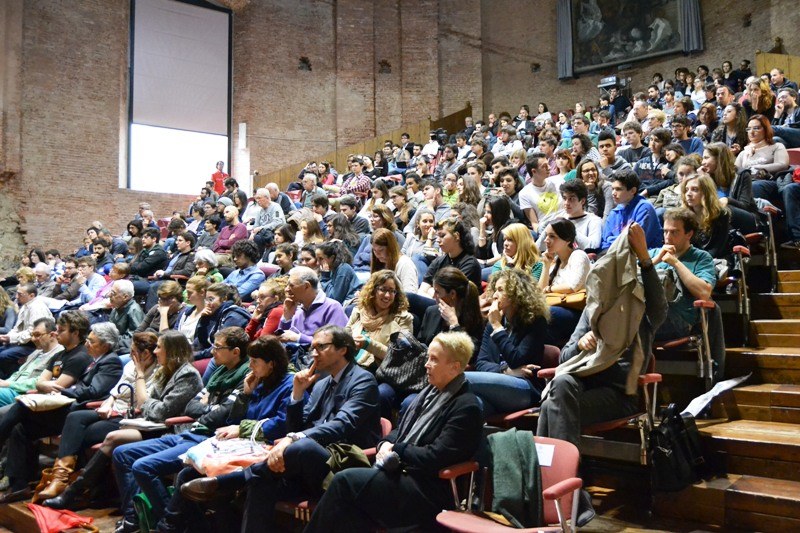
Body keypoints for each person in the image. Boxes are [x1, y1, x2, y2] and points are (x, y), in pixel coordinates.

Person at [178, 326, 381, 533]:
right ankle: (239, 482)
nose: (313, 353)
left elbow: (342, 424)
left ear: (343, 349)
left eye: (321, 347)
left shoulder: (362, 380)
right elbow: (295, 426)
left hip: (342, 464)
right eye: (312, 347)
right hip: (304, 465)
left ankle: (231, 480)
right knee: (261, 484)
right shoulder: (320, 384)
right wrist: (297, 394)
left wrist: (292, 439)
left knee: (303, 446)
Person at [537, 222, 668, 526]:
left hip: (618, 395)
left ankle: (551, 491)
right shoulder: (591, 311)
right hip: (581, 390)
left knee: (552, 403)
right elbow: (566, 357)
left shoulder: (639, 309)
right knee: (561, 385)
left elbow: (660, 311)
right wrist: (580, 345)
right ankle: (568, 493)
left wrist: (646, 260)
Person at [304, 331, 483, 532]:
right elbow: (398, 432)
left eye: (434, 359)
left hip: (427, 488)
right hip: (402, 475)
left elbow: (436, 456)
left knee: (344, 481)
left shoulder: (466, 407)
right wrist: (384, 444)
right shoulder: (428, 394)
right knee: (350, 508)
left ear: (455, 367)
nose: (426, 364)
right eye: (428, 358)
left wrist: (396, 448)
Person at [110, 327, 251, 532]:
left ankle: (170, 524)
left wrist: (206, 408)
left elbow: (222, 414)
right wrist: (209, 408)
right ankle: (136, 517)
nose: (212, 351)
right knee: (122, 453)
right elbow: (191, 407)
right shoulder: (218, 372)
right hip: (187, 432)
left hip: (208, 439)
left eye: (218, 347)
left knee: (143, 467)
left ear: (236, 351)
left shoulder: (241, 376)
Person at [40, 330, 202, 506]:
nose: (155, 352)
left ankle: (76, 493)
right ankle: (79, 492)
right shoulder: (165, 371)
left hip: (169, 429)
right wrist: (149, 404)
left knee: (112, 438)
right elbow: (145, 404)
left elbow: (158, 411)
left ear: (172, 350)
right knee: (86, 426)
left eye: (159, 348)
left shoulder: (188, 375)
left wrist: (140, 375)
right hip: (149, 424)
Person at [0, 320, 122, 503]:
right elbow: (45, 383)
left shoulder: (110, 361)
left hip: (78, 412)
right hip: (68, 407)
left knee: (21, 407)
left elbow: (94, 391)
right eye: (87, 340)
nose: (87, 344)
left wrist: (66, 390)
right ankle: (18, 485)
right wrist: (67, 389)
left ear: (105, 345)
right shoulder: (94, 360)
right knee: (21, 428)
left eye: (92, 341)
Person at [467, 269, 548, 416]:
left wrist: (498, 328)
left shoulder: (534, 322)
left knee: (459, 378)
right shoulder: (493, 322)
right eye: (495, 290)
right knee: (469, 407)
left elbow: (516, 359)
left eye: (500, 290)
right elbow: (481, 363)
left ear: (516, 294)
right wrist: (506, 370)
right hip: (498, 386)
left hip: (526, 388)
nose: (494, 295)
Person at [652, 208, 716, 340]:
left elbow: (704, 293)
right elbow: (627, 279)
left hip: (679, 320)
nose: (668, 237)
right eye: (665, 231)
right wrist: (655, 261)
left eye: (674, 232)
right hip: (648, 315)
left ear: (689, 234)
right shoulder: (653, 254)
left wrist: (675, 262)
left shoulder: (701, 257)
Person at [346, 269, 413, 373]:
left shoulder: (403, 319)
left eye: (392, 291)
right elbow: (346, 335)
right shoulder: (359, 310)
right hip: (348, 362)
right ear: (373, 290)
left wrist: (368, 344)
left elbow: (400, 356)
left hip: (378, 370)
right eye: (383, 289)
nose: (387, 295)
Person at [276, 266, 348, 346]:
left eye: (291, 285)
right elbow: (282, 341)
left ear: (306, 286)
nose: (286, 289)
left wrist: (299, 338)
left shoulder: (332, 307)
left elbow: (337, 343)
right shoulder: (296, 309)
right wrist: (287, 317)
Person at [0, 317, 62, 408]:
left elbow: (41, 382)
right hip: (11, 388)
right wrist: (5, 383)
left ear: (52, 335)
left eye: (37, 335)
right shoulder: (37, 351)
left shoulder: (59, 354)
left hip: (24, 394)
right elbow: (19, 373)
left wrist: (8, 384)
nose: (33, 339)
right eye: (32, 335)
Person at [600, 169, 663, 251]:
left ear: (633, 191)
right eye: (613, 189)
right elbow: (604, 243)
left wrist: (611, 240)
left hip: (643, 258)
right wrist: (620, 240)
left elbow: (636, 242)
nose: (613, 193)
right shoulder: (614, 212)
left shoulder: (644, 208)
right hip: (616, 255)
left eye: (618, 189)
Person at [418, 219, 481, 299]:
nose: (437, 240)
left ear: (456, 236)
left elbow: (451, 296)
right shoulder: (438, 261)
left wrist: (430, 290)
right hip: (436, 305)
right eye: (437, 236)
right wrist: (435, 293)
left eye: (442, 236)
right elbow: (421, 291)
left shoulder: (470, 263)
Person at [0, 283, 53, 376]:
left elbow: (33, 333)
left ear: (31, 295)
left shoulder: (37, 308)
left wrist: (10, 339)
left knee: (4, 355)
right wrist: (7, 336)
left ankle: (10, 379)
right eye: (17, 293)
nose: (16, 297)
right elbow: (17, 328)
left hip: (35, 344)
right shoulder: (25, 306)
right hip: (24, 342)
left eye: (20, 294)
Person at [681, 175, 731, 258]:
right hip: (691, 260)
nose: (688, 194)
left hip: (714, 261)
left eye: (695, 189)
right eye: (686, 190)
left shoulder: (721, 214)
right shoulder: (684, 215)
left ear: (706, 192)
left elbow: (716, 250)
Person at [316, 240, 360, 305]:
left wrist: (325, 277)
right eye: (317, 259)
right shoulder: (331, 270)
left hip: (350, 305)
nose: (317, 263)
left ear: (332, 258)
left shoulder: (343, 269)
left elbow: (334, 299)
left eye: (321, 259)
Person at [634, 127, 673, 197]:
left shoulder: (670, 163)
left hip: (661, 198)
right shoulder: (640, 163)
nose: (652, 143)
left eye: (657, 141)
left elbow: (672, 182)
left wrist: (650, 190)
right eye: (651, 139)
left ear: (665, 144)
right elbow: (633, 181)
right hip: (640, 196)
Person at [107, 280, 145, 354]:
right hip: (114, 342)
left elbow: (135, 336)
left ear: (125, 297)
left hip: (125, 348)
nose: (109, 295)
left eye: (113, 293)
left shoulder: (134, 310)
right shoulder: (117, 306)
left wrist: (111, 338)